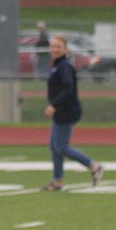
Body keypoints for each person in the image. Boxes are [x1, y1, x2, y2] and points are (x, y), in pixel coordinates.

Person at [43, 34, 104, 191]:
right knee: (54, 146)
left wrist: (54, 105)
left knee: (62, 147)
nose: (55, 49)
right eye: (53, 46)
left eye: (58, 47)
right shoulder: (58, 65)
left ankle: (93, 165)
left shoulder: (64, 66)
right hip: (61, 110)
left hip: (67, 110)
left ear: (65, 49)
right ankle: (57, 181)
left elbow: (68, 89)